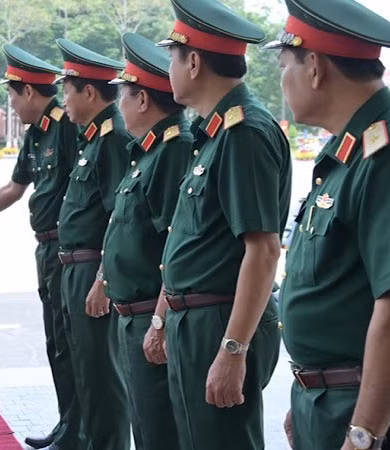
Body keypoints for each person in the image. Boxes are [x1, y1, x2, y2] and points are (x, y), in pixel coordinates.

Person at [266, 0, 390, 448]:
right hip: (336, 399)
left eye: (283, 66)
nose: (282, 80)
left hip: (377, 412)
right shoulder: (350, 155)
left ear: (314, 67)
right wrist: (312, 392)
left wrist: (364, 433)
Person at [152, 0, 292, 448]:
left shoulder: (243, 132)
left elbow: (263, 249)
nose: (167, 68)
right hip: (198, 319)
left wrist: (233, 350)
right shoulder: (216, 132)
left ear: (193, 61)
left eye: (171, 57)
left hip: (219, 321)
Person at [0, 44, 82, 450]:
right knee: (57, 345)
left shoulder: (68, 127)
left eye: (11, 94)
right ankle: (66, 425)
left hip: (69, 250)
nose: (9, 103)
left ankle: (78, 432)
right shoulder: (36, 133)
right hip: (46, 251)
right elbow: (14, 188)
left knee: (75, 348)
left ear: (29, 92)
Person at [102, 32, 189, 450]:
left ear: (141, 100)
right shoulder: (150, 151)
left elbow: (176, 245)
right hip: (133, 316)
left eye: (123, 95)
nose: (118, 106)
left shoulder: (174, 150)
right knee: (146, 428)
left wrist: (158, 321)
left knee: (160, 433)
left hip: (153, 317)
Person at [55, 38, 132, 450]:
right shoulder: (92, 137)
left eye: (67, 90)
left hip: (92, 271)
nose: (62, 98)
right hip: (74, 268)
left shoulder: (114, 138)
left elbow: (119, 217)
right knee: (86, 373)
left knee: (103, 379)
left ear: (88, 91)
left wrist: (102, 279)